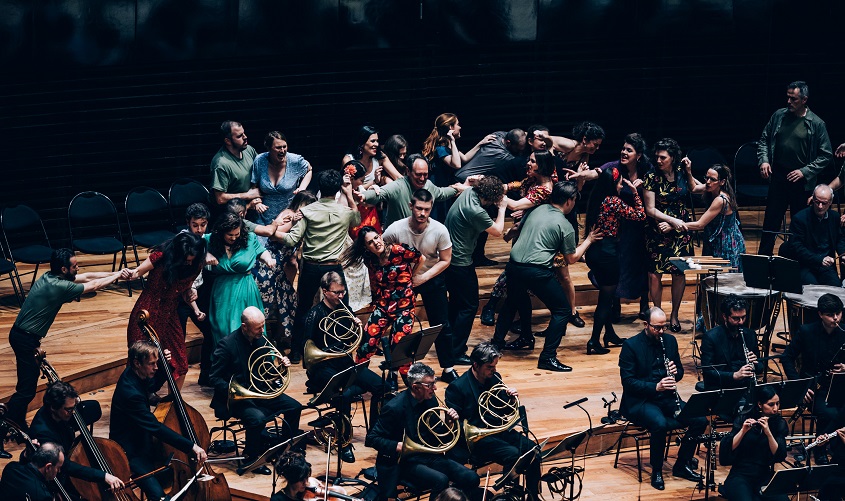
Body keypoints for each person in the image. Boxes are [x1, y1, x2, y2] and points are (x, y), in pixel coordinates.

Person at [6, 248, 126, 429]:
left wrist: (118, 273)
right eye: (75, 266)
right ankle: (7, 422)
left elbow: (88, 276)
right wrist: (117, 277)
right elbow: (93, 286)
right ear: (64, 269)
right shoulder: (59, 286)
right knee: (26, 389)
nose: (78, 269)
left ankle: (16, 421)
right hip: (24, 339)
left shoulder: (51, 276)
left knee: (27, 386)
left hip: (23, 336)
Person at [492, 181, 600, 371]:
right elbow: (572, 258)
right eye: (574, 200)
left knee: (513, 301)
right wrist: (589, 240)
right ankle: (548, 357)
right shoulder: (564, 225)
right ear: (569, 201)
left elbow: (518, 229)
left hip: (513, 266)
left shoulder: (536, 209)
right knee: (563, 310)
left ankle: (497, 344)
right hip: (536, 270)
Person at [618, 307, 707, 490]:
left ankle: (681, 464)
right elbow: (628, 383)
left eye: (663, 327)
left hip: (667, 398)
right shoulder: (631, 346)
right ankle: (657, 470)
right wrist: (655, 387)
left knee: (699, 420)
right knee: (659, 423)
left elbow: (680, 372)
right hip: (640, 401)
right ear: (646, 325)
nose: (660, 332)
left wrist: (676, 373)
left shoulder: (670, 341)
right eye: (656, 328)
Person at [365, 362, 481, 501]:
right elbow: (372, 438)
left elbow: (438, 434)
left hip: (428, 455)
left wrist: (450, 423)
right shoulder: (394, 408)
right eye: (430, 385)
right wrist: (399, 446)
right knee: (440, 480)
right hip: (403, 461)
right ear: (415, 387)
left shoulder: (430, 401)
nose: (435, 388)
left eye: (434, 382)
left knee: (471, 477)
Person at [278, 169, 361, 362]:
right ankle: (344, 348)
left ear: (319, 189)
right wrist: (349, 195)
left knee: (303, 309)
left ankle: (297, 352)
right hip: (334, 268)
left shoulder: (306, 211)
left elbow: (291, 240)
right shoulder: (346, 212)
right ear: (338, 188)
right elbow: (357, 220)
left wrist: (272, 231)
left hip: (311, 267)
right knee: (342, 307)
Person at [302, 271, 385, 463]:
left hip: (345, 364)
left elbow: (361, 340)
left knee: (382, 387)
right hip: (322, 369)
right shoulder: (314, 314)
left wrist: (359, 328)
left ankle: (375, 433)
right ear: (325, 291)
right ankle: (344, 443)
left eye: (343, 291)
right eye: (337, 292)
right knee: (344, 395)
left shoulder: (345, 308)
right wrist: (330, 350)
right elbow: (306, 350)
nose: (341, 296)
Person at [568, 133, 652, 321]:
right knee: (619, 264)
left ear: (638, 155)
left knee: (640, 264)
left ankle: (644, 304)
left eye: (628, 150)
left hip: (639, 227)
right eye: (623, 148)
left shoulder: (647, 169)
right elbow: (596, 172)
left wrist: (646, 184)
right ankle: (615, 304)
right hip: (620, 226)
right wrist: (582, 175)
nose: (623, 152)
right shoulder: (614, 168)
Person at [209, 307, 303, 474]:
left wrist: (280, 367)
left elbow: (267, 372)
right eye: (258, 327)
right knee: (257, 419)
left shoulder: (261, 340)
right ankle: (252, 459)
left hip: (260, 392)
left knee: (294, 407)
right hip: (236, 399)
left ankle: (282, 452)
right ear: (244, 326)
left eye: (263, 325)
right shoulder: (227, 345)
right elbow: (214, 378)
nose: (262, 330)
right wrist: (235, 391)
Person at [110, 341, 206, 500]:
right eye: (152, 364)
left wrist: (164, 366)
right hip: (130, 451)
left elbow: (151, 384)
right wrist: (191, 446)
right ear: (137, 363)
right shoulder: (130, 393)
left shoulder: (135, 372)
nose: (156, 367)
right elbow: (155, 428)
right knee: (157, 494)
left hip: (144, 441)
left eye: (157, 363)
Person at [444, 342, 540, 500]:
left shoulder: (495, 378)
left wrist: (510, 399)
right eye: (490, 367)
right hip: (477, 439)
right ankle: (511, 496)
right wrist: (450, 419)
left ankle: (533, 496)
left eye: (495, 366)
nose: (494, 370)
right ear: (476, 365)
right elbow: (456, 428)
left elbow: (506, 411)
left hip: (498, 430)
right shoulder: (457, 388)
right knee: (513, 454)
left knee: (533, 450)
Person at [383, 188, 459, 382]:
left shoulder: (440, 230)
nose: (422, 213)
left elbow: (446, 259)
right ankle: (393, 370)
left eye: (426, 209)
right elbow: (382, 254)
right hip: (402, 280)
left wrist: (423, 278)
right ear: (411, 206)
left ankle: (448, 368)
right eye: (418, 208)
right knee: (398, 325)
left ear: (431, 208)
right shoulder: (395, 229)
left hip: (430, 277)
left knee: (441, 323)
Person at [757, 81, 833, 257]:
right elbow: (764, 140)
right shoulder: (779, 116)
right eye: (788, 97)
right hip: (779, 175)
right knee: (771, 221)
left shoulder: (816, 123)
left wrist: (804, 171)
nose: (789, 101)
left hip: (801, 181)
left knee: (799, 223)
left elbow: (826, 154)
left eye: (794, 99)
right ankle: (762, 261)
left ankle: (795, 262)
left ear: (804, 99)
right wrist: (764, 161)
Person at [481, 150, 556, 327]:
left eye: (532, 161)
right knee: (516, 276)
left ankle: (493, 307)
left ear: (542, 166)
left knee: (516, 274)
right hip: (524, 232)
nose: (528, 164)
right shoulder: (532, 179)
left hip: (535, 239)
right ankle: (519, 320)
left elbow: (514, 204)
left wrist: (492, 192)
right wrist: (502, 186)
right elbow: (518, 185)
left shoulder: (544, 189)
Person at [126, 232, 207, 387]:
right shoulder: (161, 256)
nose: (189, 263)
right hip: (146, 313)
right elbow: (137, 272)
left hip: (170, 315)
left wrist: (191, 297)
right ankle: (136, 398)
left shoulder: (195, 265)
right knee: (139, 360)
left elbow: (183, 290)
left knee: (180, 361)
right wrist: (130, 273)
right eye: (186, 259)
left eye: (192, 259)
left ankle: (173, 406)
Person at [445, 176, 507, 365]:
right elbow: (498, 230)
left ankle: (449, 345)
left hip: (450, 258)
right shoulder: (476, 210)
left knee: (456, 304)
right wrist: (502, 208)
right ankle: (455, 352)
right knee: (469, 306)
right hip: (460, 262)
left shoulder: (470, 192)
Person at [583, 167, 645, 354]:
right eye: (619, 182)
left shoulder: (596, 198)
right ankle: (594, 341)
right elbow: (640, 215)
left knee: (608, 298)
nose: (621, 186)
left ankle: (609, 333)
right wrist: (635, 194)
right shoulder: (613, 201)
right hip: (607, 256)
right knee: (605, 301)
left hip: (594, 253)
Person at [343, 227, 421, 375]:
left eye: (376, 238)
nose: (376, 243)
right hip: (384, 304)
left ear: (381, 236)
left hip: (404, 304)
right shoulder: (371, 259)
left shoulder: (398, 250)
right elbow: (374, 279)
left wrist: (413, 278)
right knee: (367, 342)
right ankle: (358, 378)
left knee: (399, 343)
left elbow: (420, 258)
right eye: (370, 242)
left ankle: (404, 380)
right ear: (366, 247)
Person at [780, 293, 845, 465]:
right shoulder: (806, 332)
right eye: (831, 315)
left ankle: (838, 448)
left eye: (838, 313)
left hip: (840, 386)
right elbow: (786, 358)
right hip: (813, 389)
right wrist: (799, 386)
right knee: (830, 413)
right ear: (820, 314)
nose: (836, 318)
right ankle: (820, 448)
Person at [29, 381, 124, 496]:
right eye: (69, 409)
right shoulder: (43, 432)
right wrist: (103, 476)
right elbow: (65, 466)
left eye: (74, 406)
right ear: (54, 407)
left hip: (67, 455)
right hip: (55, 476)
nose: (73, 412)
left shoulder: (63, 413)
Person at [643, 138, 694, 333]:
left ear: (673, 158)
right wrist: (672, 221)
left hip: (680, 231)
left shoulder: (681, 173)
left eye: (663, 157)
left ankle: (674, 314)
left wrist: (689, 172)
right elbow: (650, 209)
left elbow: (694, 189)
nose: (658, 160)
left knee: (679, 273)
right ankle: (658, 313)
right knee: (655, 274)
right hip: (658, 230)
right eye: (656, 157)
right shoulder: (651, 176)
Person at [255, 191, 317, 347]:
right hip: (269, 265)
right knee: (267, 304)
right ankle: (262, 341)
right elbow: (273, 235)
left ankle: (278, 340)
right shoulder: (289, 215)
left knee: (287, 301)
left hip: (280, 268)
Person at [205, 212, 276, 347]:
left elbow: (261, 251)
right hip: (223, 290)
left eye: (236, 234)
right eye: (230, 235)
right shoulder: (209, 240)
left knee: (251, 327)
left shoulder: (249, 238)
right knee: (223, 328)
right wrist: (205, 255)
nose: (233, 238)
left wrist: (268, 259)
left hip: (245, 287)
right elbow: (193, 249)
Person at [357, 154, 466, 229]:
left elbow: (442, 193)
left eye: (425, 174)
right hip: (396, 241)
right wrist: (363, 196)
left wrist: (458, 188)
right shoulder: (398, 186)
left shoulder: (428, 184)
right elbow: (380, 193)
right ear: (408, 171)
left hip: (418, 237)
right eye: (418, 174)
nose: (422, 178)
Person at [718, 385, 788, 501]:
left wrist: (768, 433)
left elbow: (779, 454)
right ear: (760, 404)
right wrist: (743, 431)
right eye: (771, 404)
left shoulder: (779, 423)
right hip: (740, 475)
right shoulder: (743, 418)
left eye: (778, 404)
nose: (775, 409)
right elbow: (727, 451)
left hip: (763, 475)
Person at [175, 203, 216, 386]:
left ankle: (206, 374)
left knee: (210, 330)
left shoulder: (206, 239)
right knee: (178, 339)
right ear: (187, 223)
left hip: (198, 292)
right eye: (195, 225)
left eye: (203, 224)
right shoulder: (181, 241)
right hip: (179, 296)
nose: (199, 229)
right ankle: (171, 382)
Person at [421, 113, 492, 221]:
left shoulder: (448, 146)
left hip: (445, 189)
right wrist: (453, 141)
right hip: (439, 190)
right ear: (451, 128)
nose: (460, 127)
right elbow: (457, 164)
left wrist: (481, 142)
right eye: (458, 124)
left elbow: (464, 158)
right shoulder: (441, 149)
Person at [777, 184, 844, 286]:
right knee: (813, 291)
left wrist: (843, 253)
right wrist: (819, 259)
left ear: (830, 202)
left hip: (826, 268)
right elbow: (797, 247)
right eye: (817, 202)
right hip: (805, 265)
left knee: (836, 291)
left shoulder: (834, 217)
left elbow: (839, 239)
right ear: (813, 199)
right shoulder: (800, 219)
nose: (820, 206)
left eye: (824, 203)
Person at [683, 164, 746, 269]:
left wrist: (674, 224)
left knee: (721, 279)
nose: (708, 182)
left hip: (725, 243)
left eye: (712, 179)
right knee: (710, 277)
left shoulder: (720, 200)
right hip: (715, 239)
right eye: (707, 178)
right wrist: (688, 172)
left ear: (722, 182)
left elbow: (699, 225)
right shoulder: (712, 188)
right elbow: (693, 188)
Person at [700, 296, 761, 395]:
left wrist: (756, 363)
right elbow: (708, 372)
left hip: (746, 386)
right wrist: (734, 375)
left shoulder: (750, 335)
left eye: (743, 317)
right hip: (722, 388)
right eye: (736, 318)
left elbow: (760, 367)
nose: (741, 322)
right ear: (725, 316)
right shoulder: (711, 337)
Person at [251, 130, 313, 227]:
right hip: (264, 216)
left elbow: (309, 169)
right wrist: (257, 201)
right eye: (278, 148)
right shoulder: (260, 160)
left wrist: (302, 188)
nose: (283, 150)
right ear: (269, 148)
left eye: (284, 146)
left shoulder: (295, 161)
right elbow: (254, 185)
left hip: (288, 216)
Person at [211, 120, 261, 207]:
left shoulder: (249, 150)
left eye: (244, 133)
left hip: (254, 204)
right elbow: (220, 198)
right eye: (239, 136)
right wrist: (248, 195)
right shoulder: (221, 163)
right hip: (232, 212)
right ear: (228, 141)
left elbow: (261, 171)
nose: (245, 137)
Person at [0, 442, 64, 501]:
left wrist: (26, 454)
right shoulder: (43, 496)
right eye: (58, 467)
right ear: (48, 467)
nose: (59, 471)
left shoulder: (10, 468)